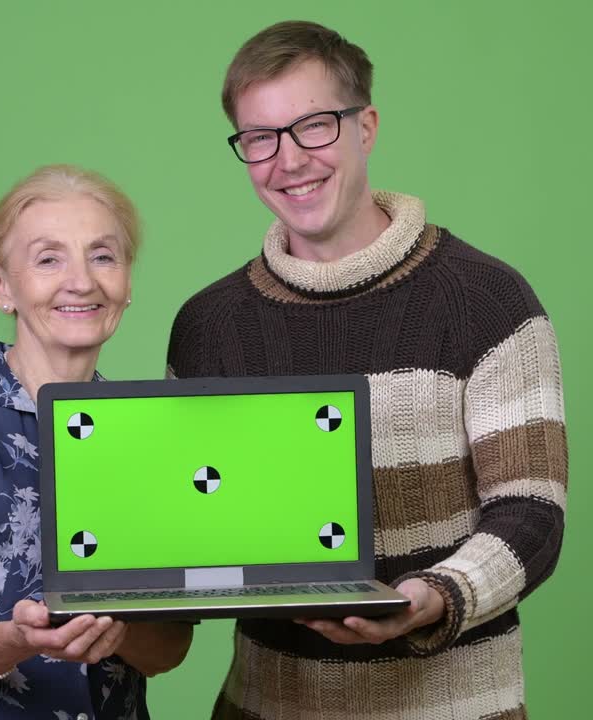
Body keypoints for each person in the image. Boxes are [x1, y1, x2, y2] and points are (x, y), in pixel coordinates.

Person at [166, 21, 568, 720]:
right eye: (260, 138)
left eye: (314, 126)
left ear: (366, 127)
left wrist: (434, 595)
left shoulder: (488, 301)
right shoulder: (209, 328)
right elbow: (200, 529)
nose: (288, 160)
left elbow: (531, 513)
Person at [0, 165, 193, 720]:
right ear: (2, 286)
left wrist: (110, 631)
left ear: (127, 282)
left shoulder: (148, 433)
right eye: (49, 258)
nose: (82, 281)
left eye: (103, 256)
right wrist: (24, 638)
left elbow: (169, 649)